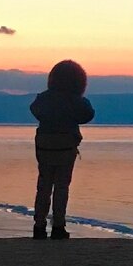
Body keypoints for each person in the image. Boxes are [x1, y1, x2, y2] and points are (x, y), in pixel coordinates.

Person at [29, 59, 95, 240]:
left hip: (44, 145)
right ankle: (58, 226)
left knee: (43, 185)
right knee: (62, 186)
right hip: (66, 145)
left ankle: (39, 225)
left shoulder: (43, 98)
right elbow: (88, 114)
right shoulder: (76, 101)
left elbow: (34, 109)